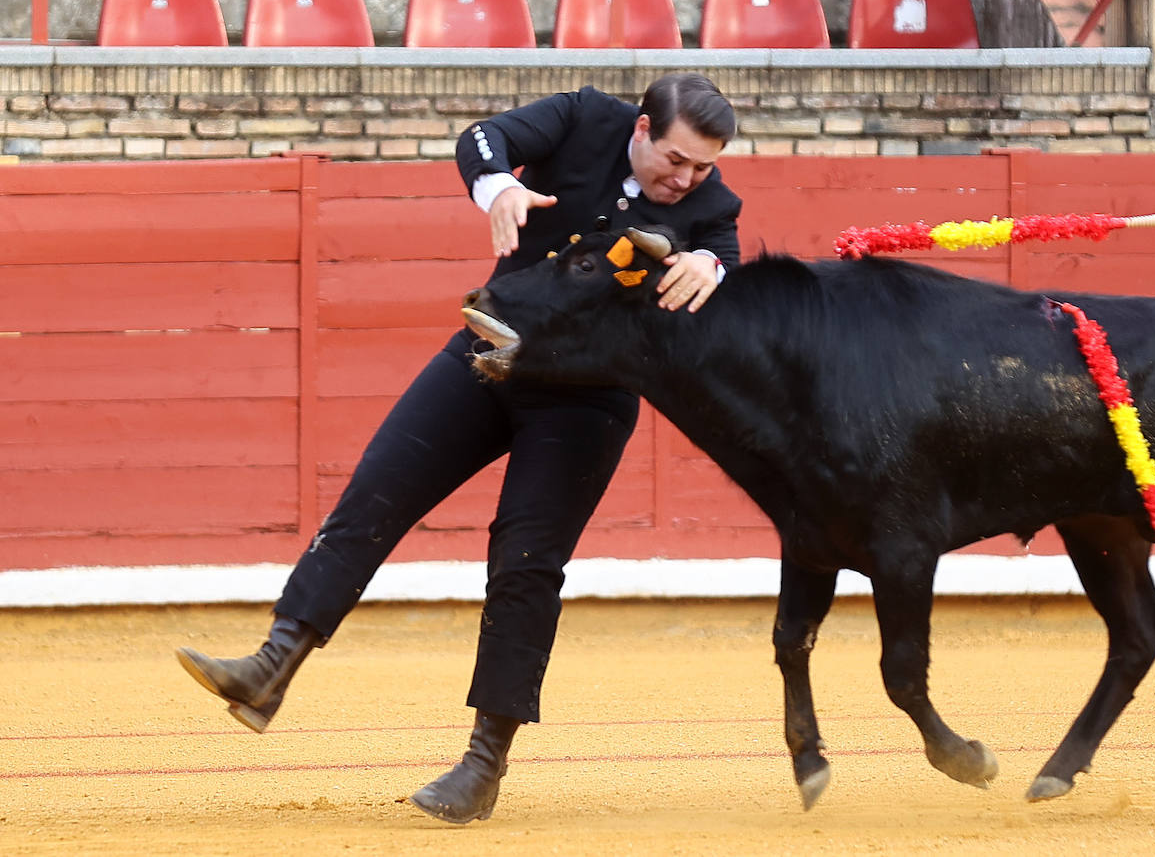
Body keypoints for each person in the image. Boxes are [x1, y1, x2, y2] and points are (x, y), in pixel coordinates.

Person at [174, 72, 742, 825]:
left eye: (703, 166)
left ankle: (483, 763)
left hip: (587, 399)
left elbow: (724, 252)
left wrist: (714, 265)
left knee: (525, 565)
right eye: (675, 160)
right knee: (376, 493)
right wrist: (497, 185)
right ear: (641, 129)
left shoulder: (710, 207)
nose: (688, 180)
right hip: (487, 353)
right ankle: (271, 666)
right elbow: (482, 139)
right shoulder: (583, 119)